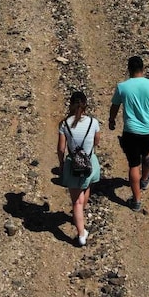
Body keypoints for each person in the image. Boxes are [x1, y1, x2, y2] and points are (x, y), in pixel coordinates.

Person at [108, 55, 149, 212]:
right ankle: (145, 179)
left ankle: (137, 201)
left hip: (131, 131)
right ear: (143, 68)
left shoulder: (122, 87)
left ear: (129, 69)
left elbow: (115, 106)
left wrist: (111, 120)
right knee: (147, 153)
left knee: (133, 164)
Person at [57, 90, 101, 246]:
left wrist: (62, 164)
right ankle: (80, 218)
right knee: (86, 187)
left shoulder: (64, 124)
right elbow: (96, 142)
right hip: (89, 162)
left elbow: (61, 149)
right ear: (85, 106)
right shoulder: (93, 122)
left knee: (76, 201)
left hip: (73, 164)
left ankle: (81, 235)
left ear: (71, 105)